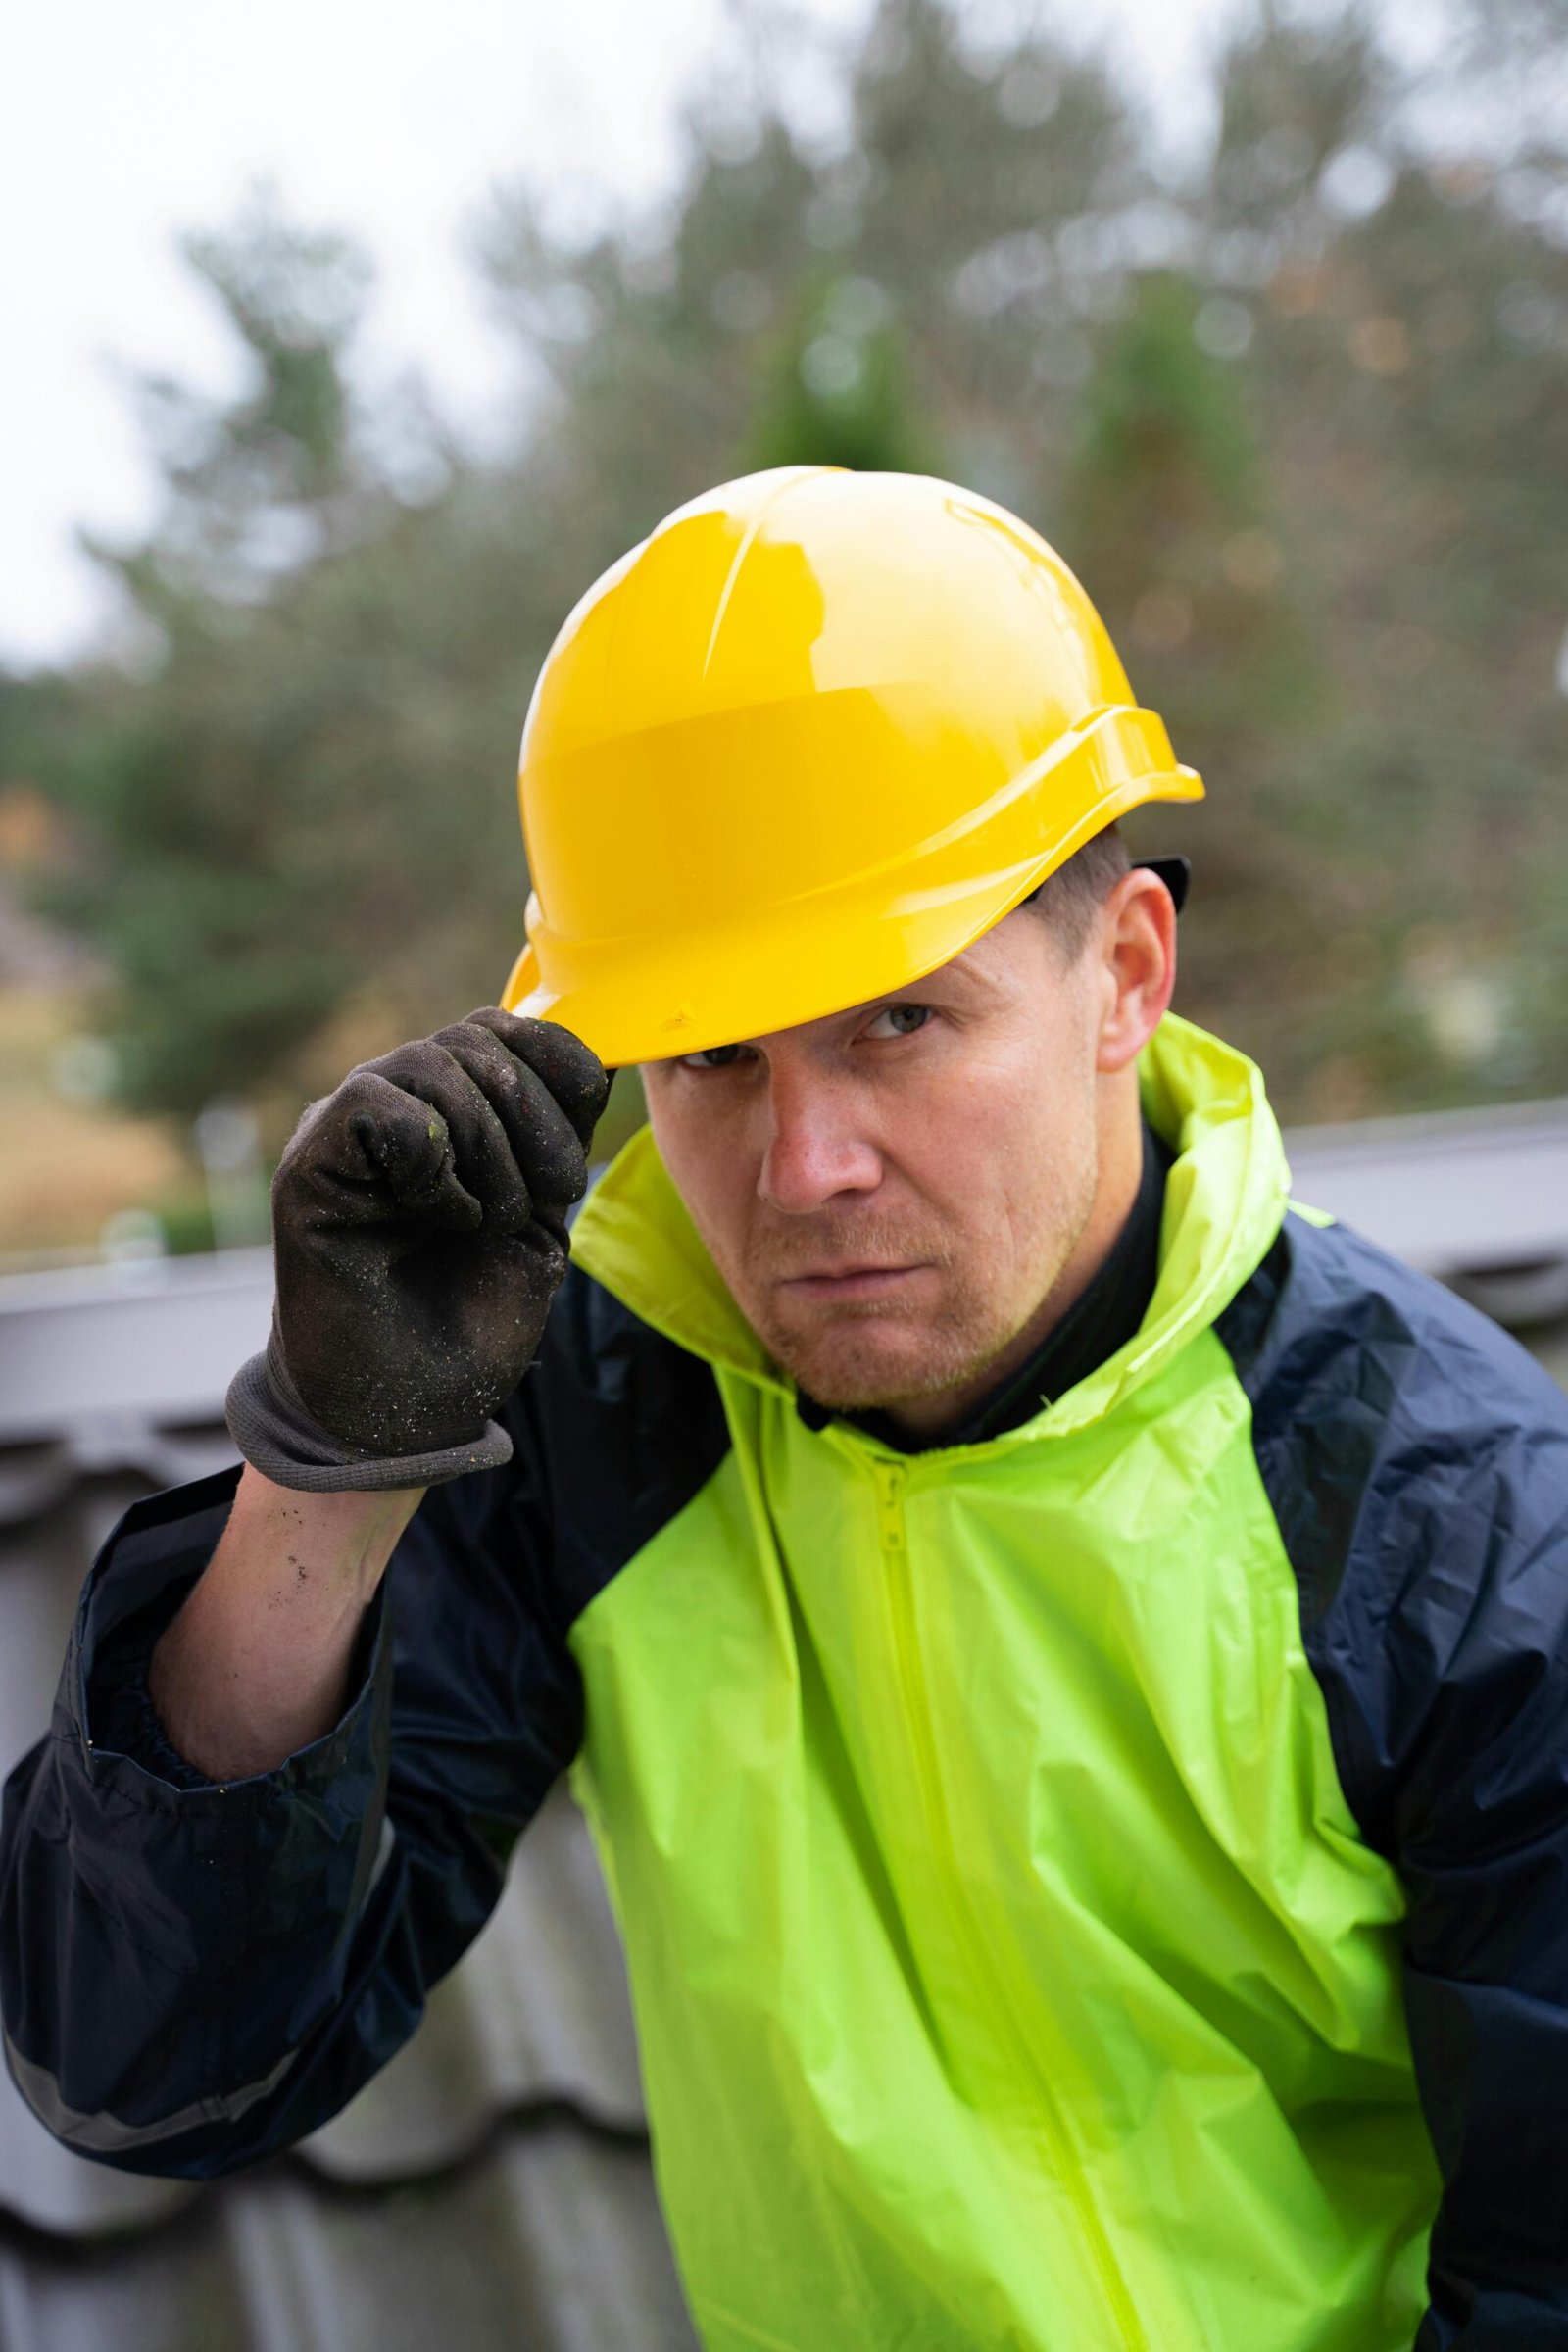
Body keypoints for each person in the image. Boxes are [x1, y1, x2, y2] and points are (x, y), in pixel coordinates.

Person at [2, 467, 1564, 2352]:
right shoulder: (596, 1415)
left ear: (1125, 975)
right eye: (714, 1055)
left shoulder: (1441, 1519)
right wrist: (329, 1461)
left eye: (899, 1019)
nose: (802, 1165)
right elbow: (146, 2069)